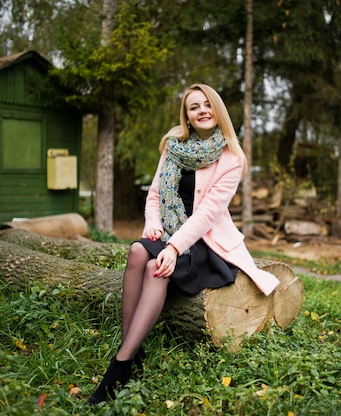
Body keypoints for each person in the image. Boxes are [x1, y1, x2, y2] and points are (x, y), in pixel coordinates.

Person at [88, 83, 280, 404]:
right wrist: (152, 223)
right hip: (169, 231)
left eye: (207, 105)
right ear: (187, 117)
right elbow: (154, 196)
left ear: (217, 111)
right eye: (194, 107)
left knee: (154, 267)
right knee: (137, 249)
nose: (202, 110)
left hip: (205, 244)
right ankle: (130, 354)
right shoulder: (174, 147)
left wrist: (174, 248)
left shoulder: (231, 158)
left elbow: (207, 214)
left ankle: (120, 365)